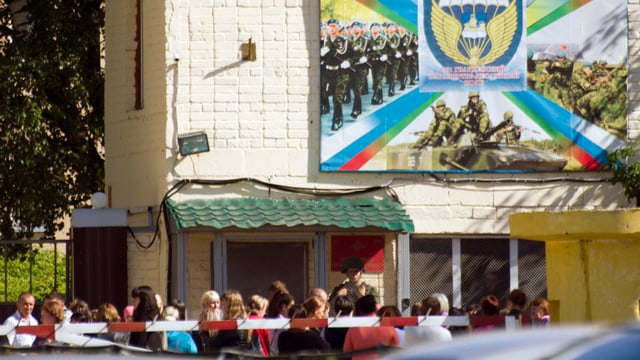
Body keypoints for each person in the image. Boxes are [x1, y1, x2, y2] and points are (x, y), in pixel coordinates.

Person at [343, 295, 399, 360]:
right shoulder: (388, 327)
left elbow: (347, 350)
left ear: (360, 309)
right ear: (375, 307)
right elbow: (396, 349)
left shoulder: (353, 329)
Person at [321, 18, 350, 131]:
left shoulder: (344, 41)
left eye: (334, 26)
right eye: (330, 26)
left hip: (340, 72)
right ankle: (326, 107)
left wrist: (349, 62)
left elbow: (353, 55)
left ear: (338, 27)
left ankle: (337, 119)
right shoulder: (323, 41)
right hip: (326, 72)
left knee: (337, 98)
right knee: (323, 92)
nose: (332, 28)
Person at [266, 291, 295, 355]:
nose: (293, 310)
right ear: (284, 307)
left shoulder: (273, 319)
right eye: (291, 307)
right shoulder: (285, 322)